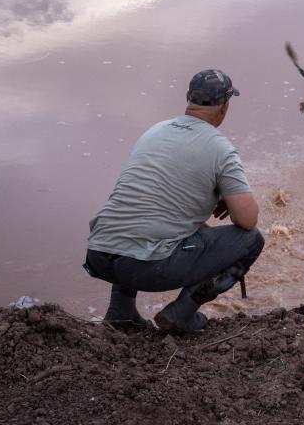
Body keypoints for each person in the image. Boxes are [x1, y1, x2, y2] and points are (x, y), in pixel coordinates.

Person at [83, 69, 264, 332]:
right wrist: (224, 194)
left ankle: (121, 310)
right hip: (147, 268)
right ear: (225, 106)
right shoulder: (220, 148)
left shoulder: (155, 131)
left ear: (188, 98)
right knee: (251, 241)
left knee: (141, 217)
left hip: (99, 253)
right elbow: (247, 220)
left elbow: (154, 199)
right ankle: (182, 313)